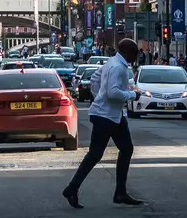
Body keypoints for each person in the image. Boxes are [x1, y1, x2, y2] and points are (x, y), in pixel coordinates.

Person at [62, 37, 146, 209]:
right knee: (95, 154)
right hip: (105, 116)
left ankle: (120, 192)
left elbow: (95, 78)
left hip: (112, 114)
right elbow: (112, 92)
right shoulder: (117, 67)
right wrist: (132, 95)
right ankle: (72, 188)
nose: (136, 56)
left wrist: (97, 98)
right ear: (127, 52)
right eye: (135, 53)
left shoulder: (112, 62)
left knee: (126, 148)